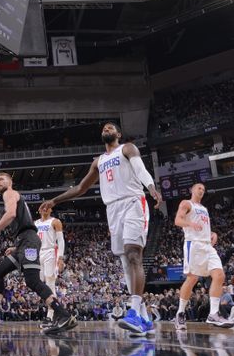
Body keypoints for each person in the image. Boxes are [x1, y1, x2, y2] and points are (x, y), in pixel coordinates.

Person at [39, 122, 162, 336]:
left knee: (134, 255)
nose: (107, 128)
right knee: (125, 262)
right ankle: (143, 317)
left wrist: (152, 189)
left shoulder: (127, 148)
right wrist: (55, 201)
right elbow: (80, 188)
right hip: (112, 210)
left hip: (133, 202)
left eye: (111, 127)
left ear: (118, 134)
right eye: (104, 128)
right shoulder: (98, 161)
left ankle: (133, 311)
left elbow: (141, 171)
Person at [0, 172, 76, 335]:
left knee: (32, 280)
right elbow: (25, 225)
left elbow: (11, 214)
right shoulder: (14, 197)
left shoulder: (9, 193)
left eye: (1, 179)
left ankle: (63, 314)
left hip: (28, 242)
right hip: (23, 243)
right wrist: (16, 247)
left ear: (10, 181)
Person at [173, 182, 233, 330]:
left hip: (207, 245)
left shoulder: (204, 209)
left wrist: (212, 233)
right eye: (199, 188)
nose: (201, 190)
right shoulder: (186, 203)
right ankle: (180, 313)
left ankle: (213, 314)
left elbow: (205, 227)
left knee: (219, 275)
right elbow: (178, 220)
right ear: (192, 190)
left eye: (203, 189)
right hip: (193, 244)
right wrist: (190, 224)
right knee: (192, 278)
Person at [34, 208, 65, 328]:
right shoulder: (35, 223)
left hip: (50, 252)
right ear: (39, 210)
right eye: (42, 206)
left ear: (51, 209)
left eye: (47, 206)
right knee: (40, 284)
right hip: (38, 253)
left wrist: (60, 258)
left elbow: (61, 241)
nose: (45, 208)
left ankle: (50, 315)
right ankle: (56, 312)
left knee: (50, 283)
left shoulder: (55, 221)